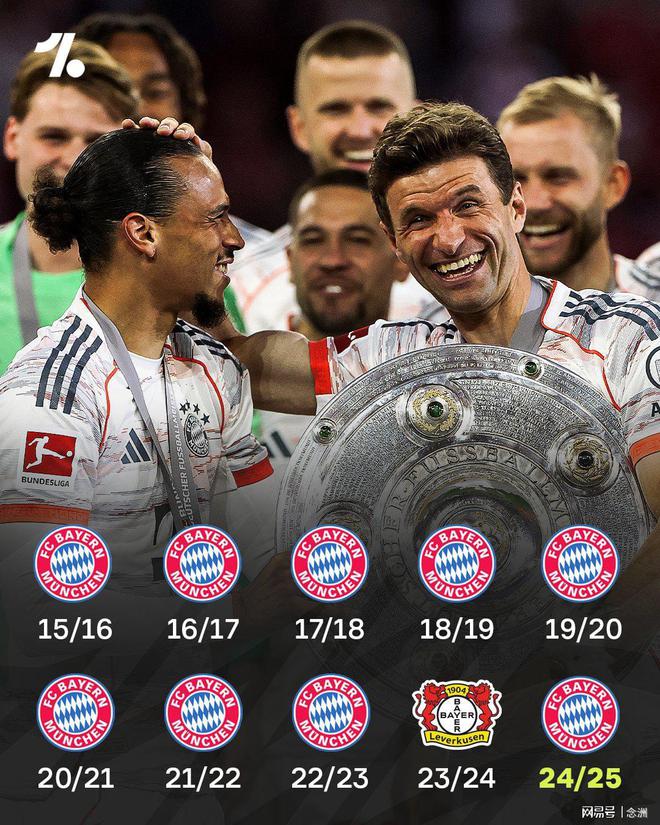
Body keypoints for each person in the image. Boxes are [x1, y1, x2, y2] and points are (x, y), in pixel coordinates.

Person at [212, 102, 660, 525]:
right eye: (419, 219)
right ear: (394, 243)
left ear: (516, 208)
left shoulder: (624, 339)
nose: (448, 239)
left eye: (467, 205)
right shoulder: (397, 359)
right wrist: (187, 196)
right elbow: (234, 363)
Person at [219, 19, 429, 339]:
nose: (360, 130)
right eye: (336, 109)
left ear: (417, 120)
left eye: (378, 107)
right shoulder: (243, 290)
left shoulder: (461, 265)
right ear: (299, 126)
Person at [75, 11, 270, 252]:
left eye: (155, 92)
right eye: (115, 91)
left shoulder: (259, 264)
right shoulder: (46, 248)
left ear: (185, 106)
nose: (139, 110)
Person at [0, 40, 139, 374]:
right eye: (54, 136)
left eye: (96, 141)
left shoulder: (170, 277)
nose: (76, 158)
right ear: (13, 138)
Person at [259, 168, 408, 464]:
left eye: (357, 240)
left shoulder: (432, 376)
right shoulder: (238, 378)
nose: (332, 260)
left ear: (401, 259)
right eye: (313, 240)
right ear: (289, 260)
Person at [495, 74, 660, 298]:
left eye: (558, 177)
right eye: (517, 180)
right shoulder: (454, 313)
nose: (532, 203)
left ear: (613, 184)